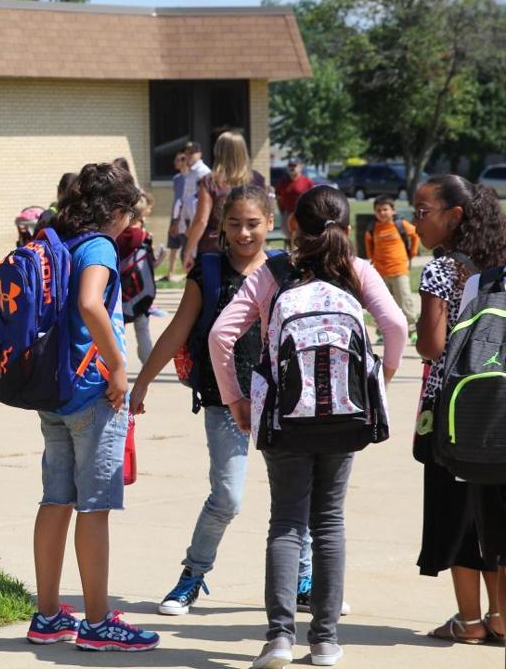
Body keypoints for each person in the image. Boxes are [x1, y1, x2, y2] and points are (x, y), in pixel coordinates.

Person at [210, 186, 406, 668]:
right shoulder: (357, 271)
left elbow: (221, 334)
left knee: (286, 522)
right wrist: (378, 382)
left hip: (284, 416)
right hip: (345, 415)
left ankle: (279, 638)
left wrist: (236, 398)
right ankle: (324, 641)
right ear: (347, 226)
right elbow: (397, 327)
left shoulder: (272, 272)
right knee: (330, 521)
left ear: (293, 226)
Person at [133, 185, 313, 616]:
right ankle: (192, 575)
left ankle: (304, 579)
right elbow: (177, 329)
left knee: (295, 494)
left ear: (270, 223)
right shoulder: (209, 271)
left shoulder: (287, 270)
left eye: (253, 224)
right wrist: (142, 382)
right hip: (224, 399)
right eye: (234, 224)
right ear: (222, 226)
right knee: (227, 497)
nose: (244, 233)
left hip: (281, 400)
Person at [21, 163, 159, 652]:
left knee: (55, 499)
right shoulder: (99, 245)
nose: (130, 223)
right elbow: (89, 302)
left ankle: (48, 615)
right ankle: (98, 623)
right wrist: (118, 365)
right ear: (116, 211)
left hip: (55, 390)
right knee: (94, 507)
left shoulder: (58, 238)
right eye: (130, 213)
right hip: (92, 393)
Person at [411, 174, 506, 644]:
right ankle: (501, 617)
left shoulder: (441, 270)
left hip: (449, 409)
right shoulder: (499, 265)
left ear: (455, 215)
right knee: (496, 512)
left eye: (423, 212)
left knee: (455, 512)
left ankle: (469, 621)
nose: (416, 222)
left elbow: (431, 346)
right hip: (498, 408)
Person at [455, 265, 506, 652]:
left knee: (497, 535)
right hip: (490, 433)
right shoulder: (481, 281)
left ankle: (499, 619)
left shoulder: (483, 283)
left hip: (487, 429)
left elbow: (455, 353)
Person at [183, 132, 264, 271]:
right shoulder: (257, 180)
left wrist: (188, 251)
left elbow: (201, 220)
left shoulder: (210, 181)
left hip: (214, 247)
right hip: (248, 246)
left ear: (218, 152)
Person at [364, 194, 420, 336]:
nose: (382, 213)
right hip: (380, 272)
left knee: (404, 300)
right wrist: (373, 258)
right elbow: (368, 243)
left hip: (399, 270)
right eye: (378, 210)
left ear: (393, 210)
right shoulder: (372, 228)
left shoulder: (401, 225)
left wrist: (412, 253)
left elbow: (415, 235)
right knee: (383, 303)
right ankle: (383, 332)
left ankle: (412, 330)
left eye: (385, 209)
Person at [115, 192, 155, 365]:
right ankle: (148, 364)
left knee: (118, 330)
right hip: (139, 290)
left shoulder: (117, 235)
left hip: (120, 289)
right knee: (142, 329)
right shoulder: (144, 237)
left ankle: (118, 365)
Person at [163, 152, 190, 281]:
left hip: (185, 215)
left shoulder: (191, 177)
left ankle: (188, 272)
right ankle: (170, 272)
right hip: (175, 214)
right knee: (173, 244)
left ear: (184, 161)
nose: (175, 163)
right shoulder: (176, 178)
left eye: (178, 160)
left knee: (186, 245)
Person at [275, 158, 312, 224]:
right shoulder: (283, 182)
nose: (292, 168)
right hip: (287, 214)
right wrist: (282, 211)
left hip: (303, 214)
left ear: (300, 167)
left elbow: (313, 198)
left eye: (294, 166)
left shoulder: (307, 181)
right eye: (290, 166)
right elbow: (278, 196)